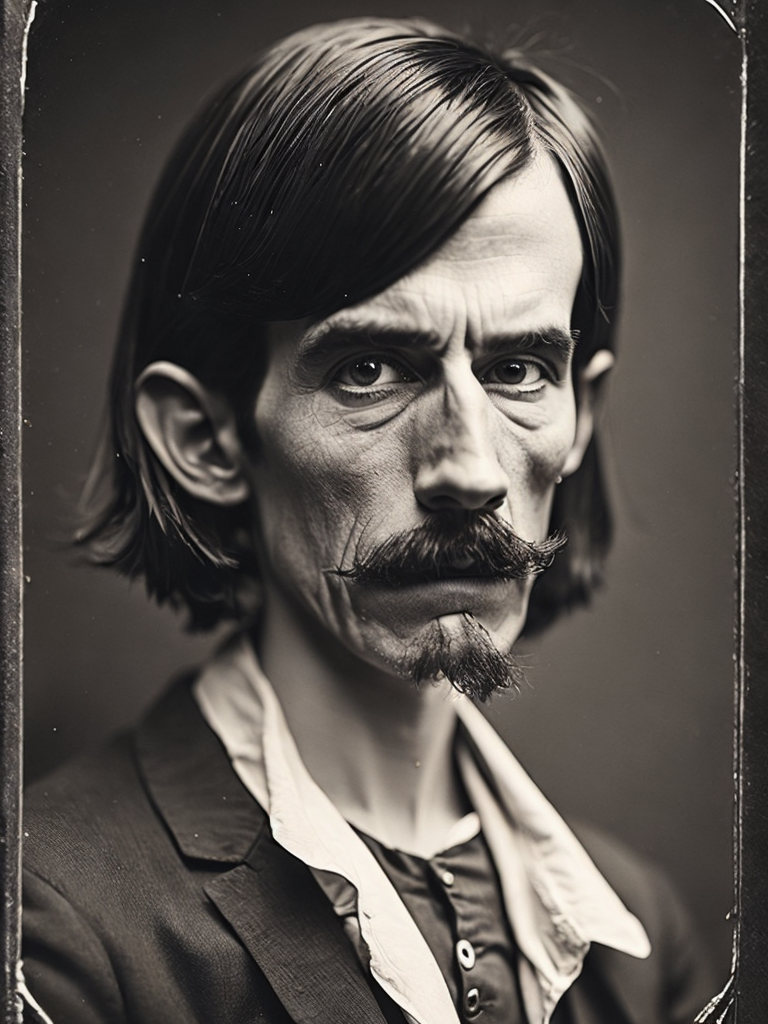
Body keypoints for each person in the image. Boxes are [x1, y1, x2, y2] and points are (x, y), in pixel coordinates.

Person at [20, 17, 713, 1024]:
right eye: (369, 370)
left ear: (580, 421)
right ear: (204, 439)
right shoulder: (50, 927)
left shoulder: (646, 944)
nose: (470, 469)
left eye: (519, 370)